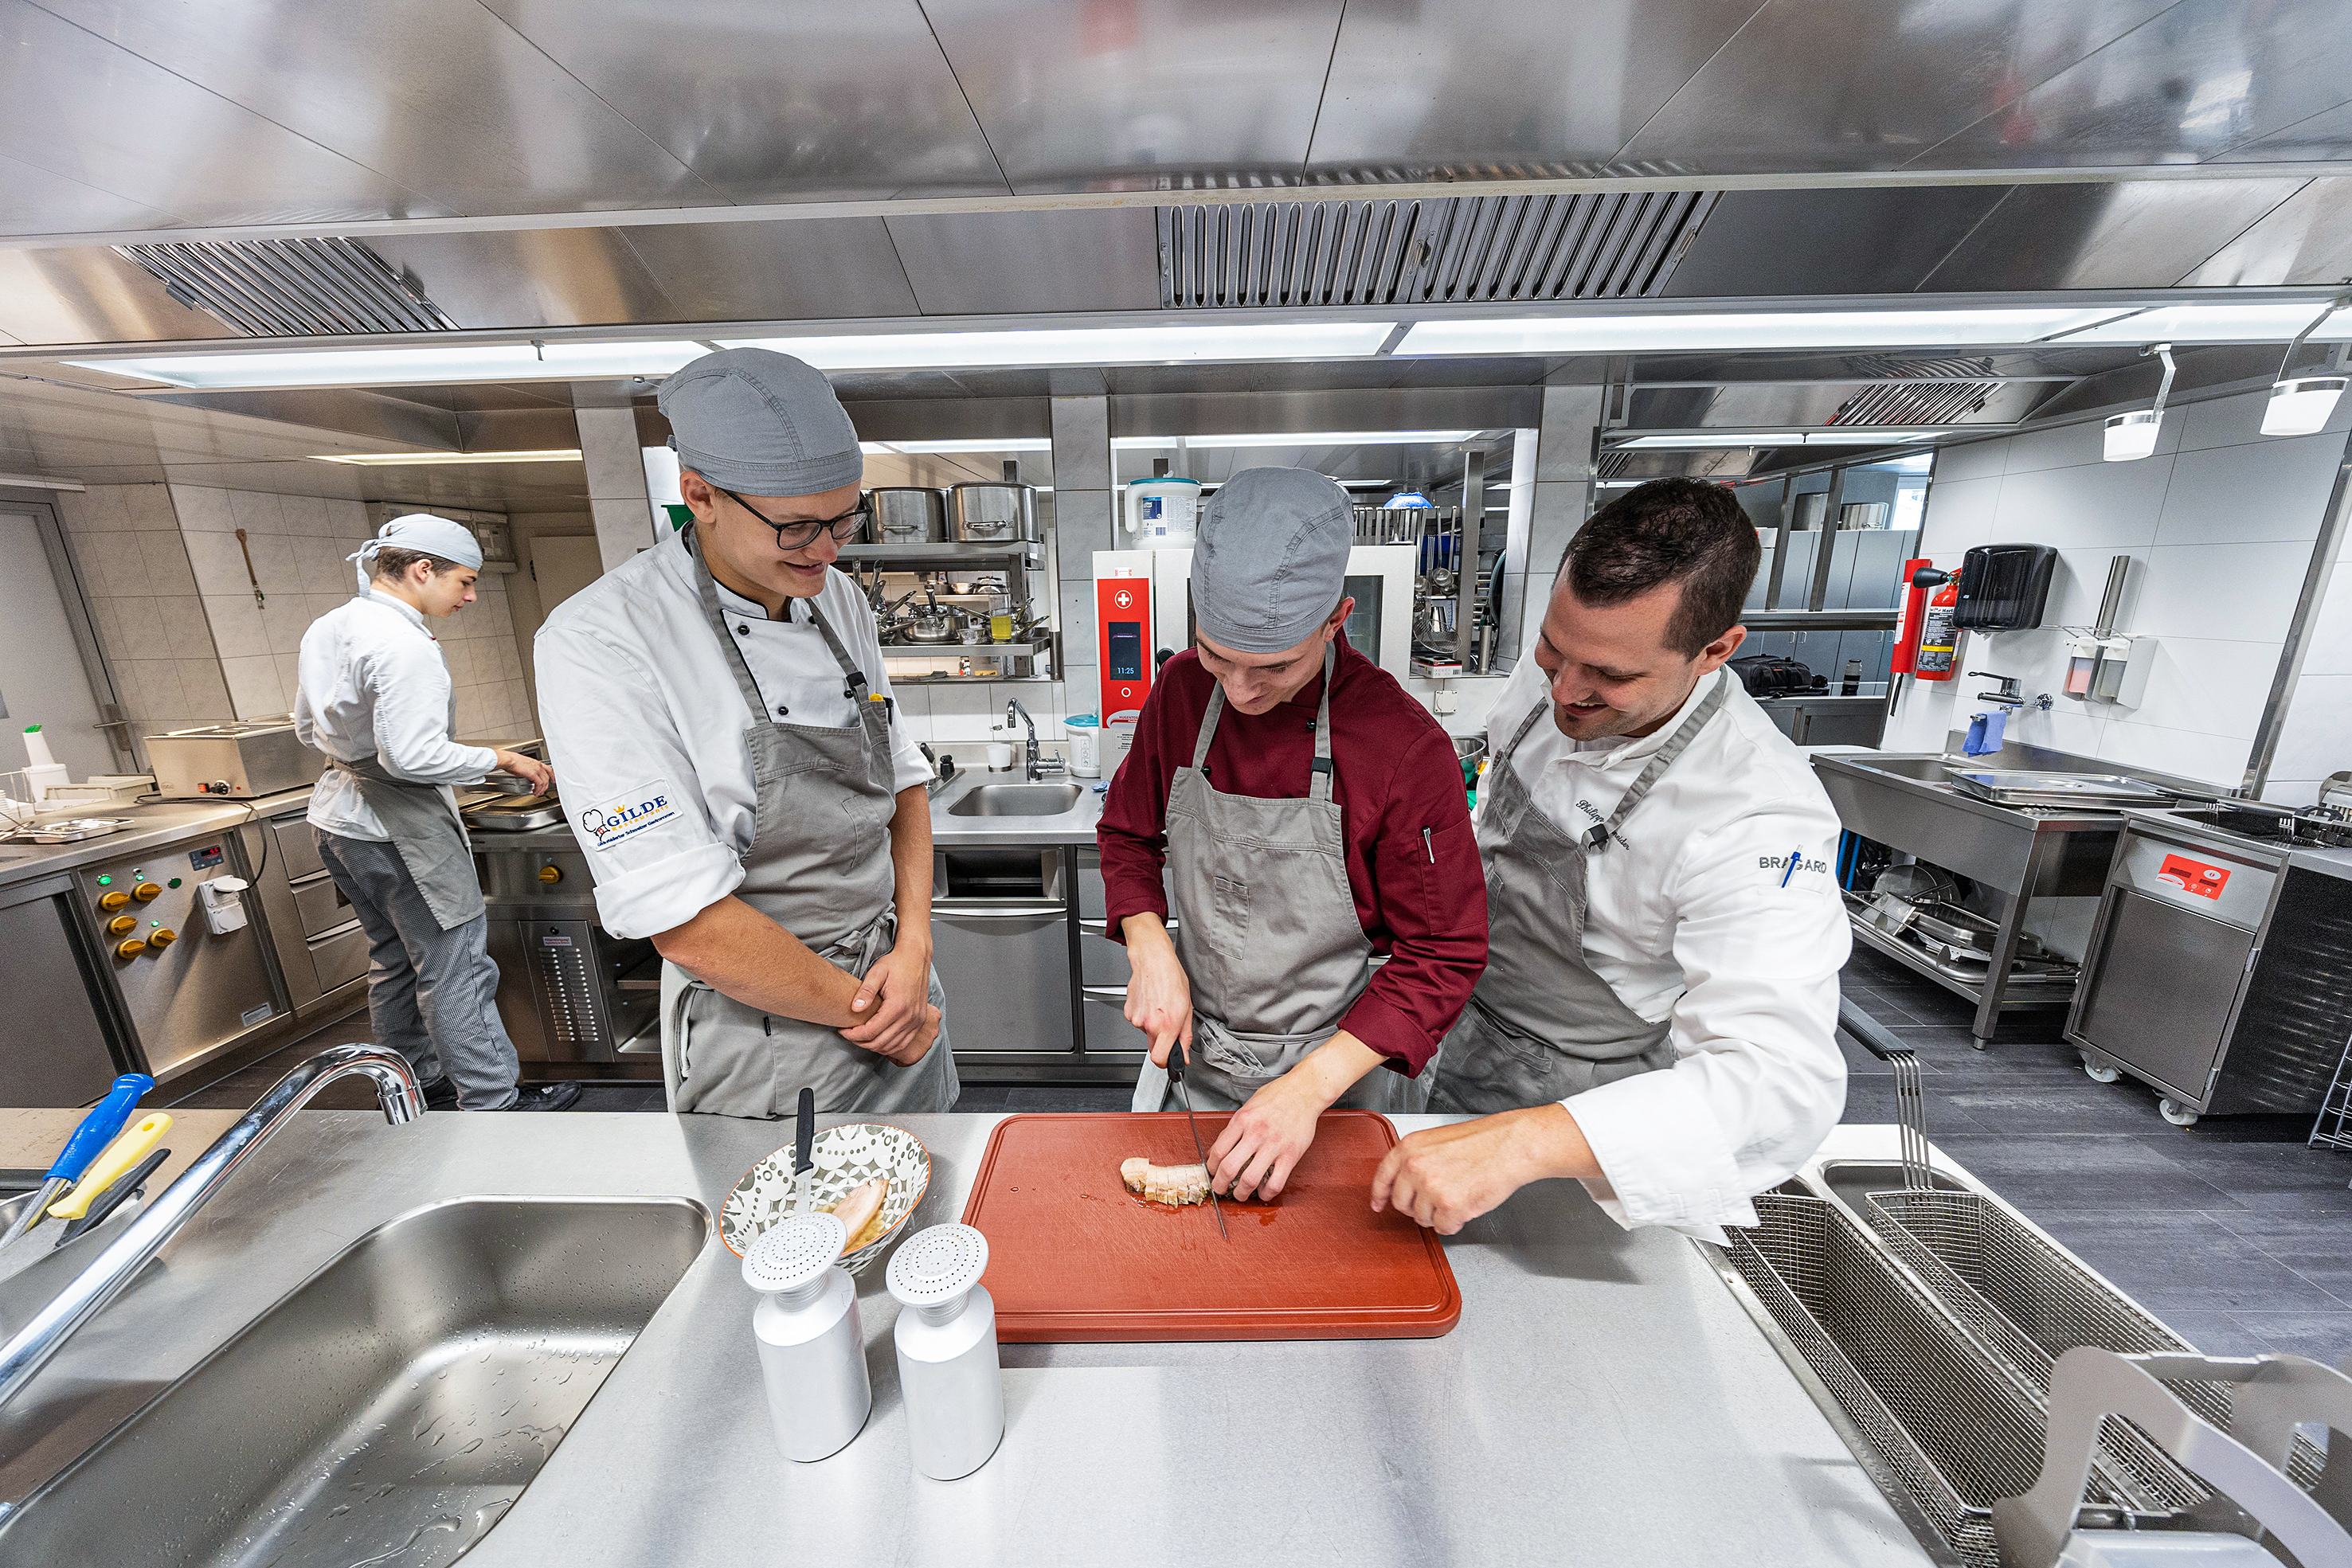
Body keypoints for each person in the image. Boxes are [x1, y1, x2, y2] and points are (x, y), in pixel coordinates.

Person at [1379, 477, 1848, 1238]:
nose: (1566, 691)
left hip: (1577, 1110)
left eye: (1611, 676)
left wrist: (1527, 1141)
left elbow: (1778, 1081)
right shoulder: (1562, 673)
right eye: (1552, 652)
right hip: (1456, 1025)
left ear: (1714, 651)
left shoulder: (1757, 815)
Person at [534, 348, 955, 1117]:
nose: (828, 550)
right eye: (797, 528)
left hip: (897, 983)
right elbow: (691, 927)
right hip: (769, 1027)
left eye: (844, 518)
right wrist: (877, 1014)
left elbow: (902, 780)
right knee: (801, 1201)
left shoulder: (837, 598)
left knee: (936, 1182)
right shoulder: (600, 640)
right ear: (699, 494)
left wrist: (915, 947)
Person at [1099, 467, 1487, 1200]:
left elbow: (1443, 954)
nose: (1240, 691)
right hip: (1194, 1055)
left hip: (1338, 1077)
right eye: (1217, 655)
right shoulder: (1180, 691)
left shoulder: (1402, 746)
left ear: (1336, 620)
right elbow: (1126, 834)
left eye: (1275, 665)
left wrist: (1307, 1089)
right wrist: (1149, 946)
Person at [295, 513, 577, 1112]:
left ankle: (416, 1084)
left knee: (395, 959)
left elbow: (304, 728)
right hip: (398, 826)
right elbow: (411, 756)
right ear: (423, 569)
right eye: (465, 581)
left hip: (338, 818)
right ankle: (493, 1101)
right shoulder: (405, 644)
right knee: (455, 965)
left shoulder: (331, 625)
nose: (470, 596)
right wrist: (501, 758)